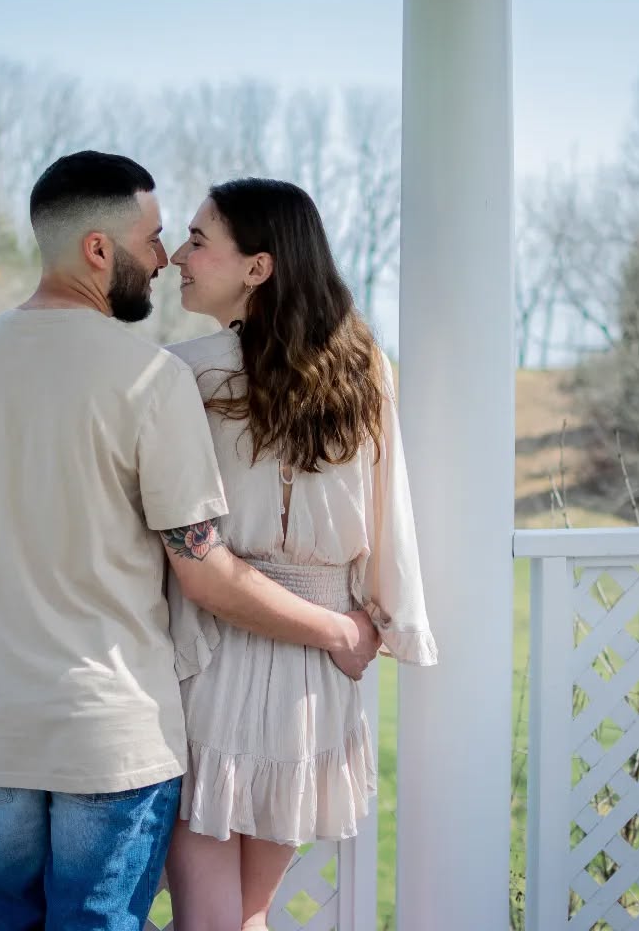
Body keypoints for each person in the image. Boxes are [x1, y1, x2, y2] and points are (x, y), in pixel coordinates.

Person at [0, 151, 382, 931]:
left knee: (7, 916)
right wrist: (336, 629)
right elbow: (205, 571)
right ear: (98, 249)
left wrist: (19, 507)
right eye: (156, 239)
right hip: (111, 730)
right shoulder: (150, 378)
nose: (165, 259)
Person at [163, 178, 439, 931]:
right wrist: (382, 621)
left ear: (257, 266)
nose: (176, 258)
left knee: (209, 916)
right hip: (320, 667)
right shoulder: (366, 369)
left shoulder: (182, 372)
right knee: (247, 915)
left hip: (218, 650)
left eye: (197, 241)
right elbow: (392, 510)